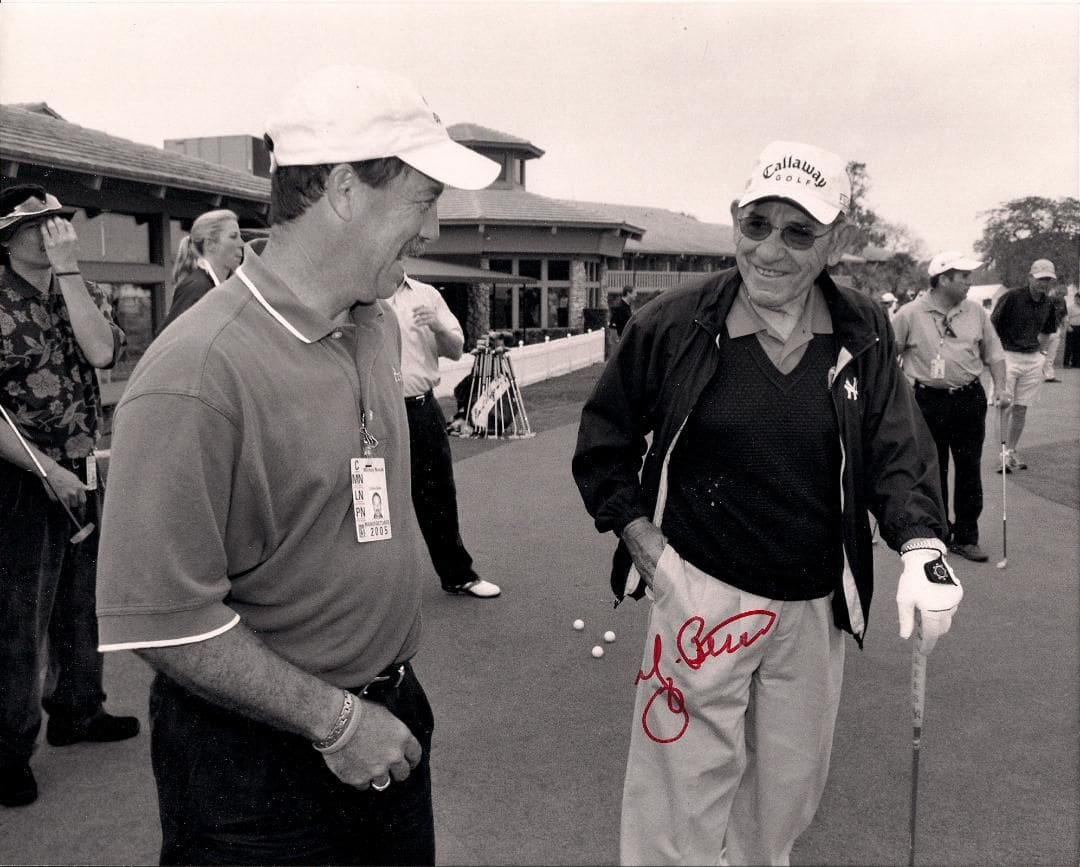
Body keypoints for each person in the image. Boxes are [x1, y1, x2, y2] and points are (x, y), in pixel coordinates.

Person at [95, 65, 499, 864]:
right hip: (260, 769)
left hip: (385, 723)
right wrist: (337, 721)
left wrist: (372, 713)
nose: (435, 230)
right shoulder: (200, 371)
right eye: (424, 199)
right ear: (346, 189)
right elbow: (160, 618)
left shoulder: (373, 324)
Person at [572, 140, 962, 866]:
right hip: (699, 591)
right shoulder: (672, 323)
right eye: (757, 225)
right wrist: (647, 550)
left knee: (783, 803)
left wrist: (922, 547)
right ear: (735, 222)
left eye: (798, 232)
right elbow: (603, 442)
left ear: (833, 243)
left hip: (813, 606)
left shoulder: (862, 330)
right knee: (674, 807)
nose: (771, 250)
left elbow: (897, 451)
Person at [0, 183, 139, 809]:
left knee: (84, 601)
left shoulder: (77, 287)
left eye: (61, 221)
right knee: (18, 618)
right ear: (9, 237)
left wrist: (69, 274)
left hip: (82, 465)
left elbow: (104, 350)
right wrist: (43, 470)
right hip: (20, 477)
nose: (57, 231)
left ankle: (79, 709)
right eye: (41, 225)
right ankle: (6, 751)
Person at [892, 251, 1009, 563]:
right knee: (933, 469)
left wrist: (1003, 387)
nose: (970, 283)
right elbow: (889, 355)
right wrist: (897, 391)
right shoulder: (909, 313)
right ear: (943, 279)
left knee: (969, 468)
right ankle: (938, 533)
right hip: (927, 400)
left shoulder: (976, 313)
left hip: (968, 398)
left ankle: (967, 537)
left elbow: (994, 353)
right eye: (964, 277)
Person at [388, 275, 501, 598]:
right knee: (374, 499)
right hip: (377, 412)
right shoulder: (358, 293)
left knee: (436, 494)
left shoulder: (426, 295)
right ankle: (374, 589)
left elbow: (456, 350)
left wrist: (437, 325)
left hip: (421, 408)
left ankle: (457, 575)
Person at [991, 258, 1060, 472]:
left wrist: (1040, 351)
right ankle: (1002, 454)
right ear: (1030, 277)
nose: (1044, 283)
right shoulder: (1012, 297)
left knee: (1021, 409)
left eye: (1048, 279)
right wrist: (995, 356)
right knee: (1004, 407)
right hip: (1008, 356)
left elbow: (1048, 331)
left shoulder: (1049, 303)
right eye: (1040, 279)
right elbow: (992, 325)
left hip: (1032, 358)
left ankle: (1011, 451)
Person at [159, 209, 244, 330]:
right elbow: (168, 340)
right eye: (233, 236)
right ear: (210, 244)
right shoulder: (196, 288)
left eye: (240, 237)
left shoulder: (216, 287)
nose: (242, 243)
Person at [1042, 283, 1067, 382]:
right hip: (1045, 330)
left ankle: (1049, 375)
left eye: (1063, 294)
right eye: (1061, 293)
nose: (1062, 296)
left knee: (1051, 355)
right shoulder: (1046, 300)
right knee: (1042, 353)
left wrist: (1063, 329)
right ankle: (1038, 374)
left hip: (1056, 329)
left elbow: (1064, 316)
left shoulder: (1062, 302)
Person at [1063, 284, 1080, 368]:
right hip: (1072, 328)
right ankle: (1066, 363)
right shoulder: (1070, 307)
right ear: (1075, 299)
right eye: (1077, 298)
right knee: (1069, 346)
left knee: (1078, 346)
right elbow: (1066, 318)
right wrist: (1068, 326)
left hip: (1079, 328)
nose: (1079, 300)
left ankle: (1076, 363)